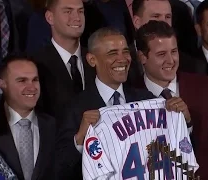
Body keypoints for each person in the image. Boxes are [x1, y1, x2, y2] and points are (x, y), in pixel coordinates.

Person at [134, 20, 208, 180]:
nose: (171, 60)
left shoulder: (207, 89)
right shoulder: (129, 98)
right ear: (142, 57)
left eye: (174, 51)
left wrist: (188, 124)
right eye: (161, 54)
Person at [55, 27, 156, 179]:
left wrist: (186, 122)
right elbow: (61, 168)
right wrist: (80, 138)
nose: (122, 59)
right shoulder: (74, 108)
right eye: (113, 53)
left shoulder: (146, 100)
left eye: (125, 51)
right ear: (91, 60)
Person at [0, 54, 56, 180]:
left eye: (35, 80)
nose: (32, 87)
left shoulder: (53, 125)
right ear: (2, 83)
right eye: (22, 80)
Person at [32, 0, 96, 123]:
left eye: (80, 11)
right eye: (68, 11)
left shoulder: (96, 59)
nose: (77, 18)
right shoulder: (36, 64)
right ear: (50, 17)